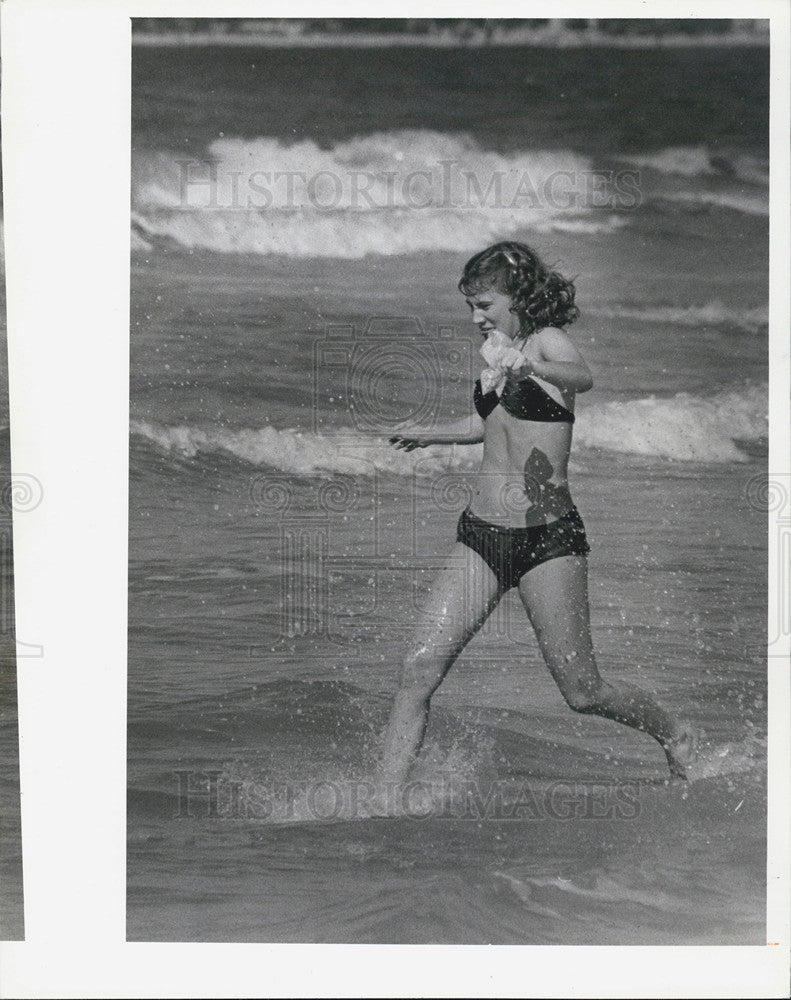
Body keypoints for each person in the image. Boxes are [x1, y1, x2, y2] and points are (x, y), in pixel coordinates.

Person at [381, 240, 698, 786]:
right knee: (417, 672)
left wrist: (529, 363)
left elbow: (582, 377)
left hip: (546, 540)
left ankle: (675, 733)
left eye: (485, 305)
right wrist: (426, 431)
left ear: (517, 296)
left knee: (583, 691)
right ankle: (381, 801)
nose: (477, 318)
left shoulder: (544, 343)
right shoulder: (495, 357)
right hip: (480, 536)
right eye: (471, 307)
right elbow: (488, 428)